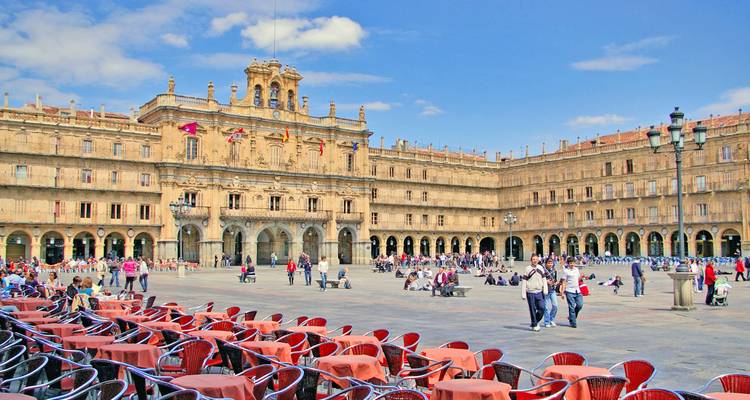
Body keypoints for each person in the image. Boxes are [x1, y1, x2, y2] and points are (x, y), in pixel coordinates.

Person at [521, 255, 548, 332]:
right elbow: (524, 281)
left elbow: (544, 279)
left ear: (538, 260)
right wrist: (523, 293)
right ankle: (535, 324)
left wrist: (545, 289)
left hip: (539, 291)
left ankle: (535, 321)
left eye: (536, 259)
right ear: (531, 260)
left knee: (542, 308)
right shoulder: (528, 269)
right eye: (533, 259)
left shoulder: (540, 268)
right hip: (530, 292)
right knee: (532, 309)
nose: (535, 261)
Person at [560, 257, 583, 328]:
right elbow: (564, 282)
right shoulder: (566, 271)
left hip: (577, 290)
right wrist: (562, 292)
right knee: (571, 307)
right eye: (570, 263)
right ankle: (573, 322)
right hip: (569, 291)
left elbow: (578, 279)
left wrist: (582, 277)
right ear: (568, 263)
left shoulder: (576, 270)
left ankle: (571, 317)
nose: (572, 264)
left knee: (580, 305)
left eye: (573, 263)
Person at [543, 258, 559, 328]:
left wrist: (555, 282)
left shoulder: (554, 270)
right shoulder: (543, 271)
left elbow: (555, 279)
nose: (550, 264)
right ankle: (547, 321)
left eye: (551, 263)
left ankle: (551, 319)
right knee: (546, 307)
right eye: (549, 263)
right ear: (546, 264)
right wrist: (546, 281)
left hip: (552, 290)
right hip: (546, 290)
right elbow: (541, 279)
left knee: (555, 306)